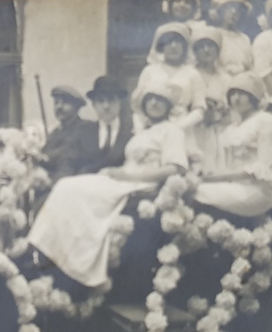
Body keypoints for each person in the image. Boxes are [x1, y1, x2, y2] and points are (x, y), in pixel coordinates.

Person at [27, 83, 188, 289]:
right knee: (66, 186)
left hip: (140, 183)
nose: (154, 104)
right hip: (123, 178)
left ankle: (76, 260)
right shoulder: (143, 131)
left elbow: (175, 168)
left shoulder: (172, 131)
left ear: (168, 106)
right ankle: (50, 249)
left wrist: (128, 176)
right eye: (150, 99)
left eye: (160, 100)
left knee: (74, 190)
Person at [193, 72, 272, 217]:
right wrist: (210, 174)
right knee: (191, 188)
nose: (236, 98)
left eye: (242, 93)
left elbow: (263, 167)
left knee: (196, 191)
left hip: (257, 189)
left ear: (254, 97)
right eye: (232, 94)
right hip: (234, 184)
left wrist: (216, 178)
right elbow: (226, 166)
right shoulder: (232, 129)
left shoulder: (265, 121)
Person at [133, 24, 206, 157]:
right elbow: (138, 107)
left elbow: (199, 110)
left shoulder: (192, 74)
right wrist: (141, 132)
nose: (173, 46)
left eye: (178, 42)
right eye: (168, 42)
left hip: (182, 129)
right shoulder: (149, 71)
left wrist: (176, 128)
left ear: (185, 46)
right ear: (161, 46)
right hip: (152, 129)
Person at [71, 75, 134, 174]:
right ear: (94, 105)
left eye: (111, 100)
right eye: (101, 101)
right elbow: (71, 163)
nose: (106, 106)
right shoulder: (83, 132)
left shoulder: (131, 132)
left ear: (119, 103)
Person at [191, 25, 231, 172]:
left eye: (210, 46)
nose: (206, 50)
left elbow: (231, 107)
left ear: (218, 50)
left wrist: (222, 109)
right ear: (195, 51)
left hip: (219, 131)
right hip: (194, 131)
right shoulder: (189, 75)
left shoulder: (225, 78)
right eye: (201, 46)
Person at [40, 85, 87, 183]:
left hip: (71, 182)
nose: (59, 107)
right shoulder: (55, 133)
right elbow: (43, 158)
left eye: (65, 103)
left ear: (77, 107)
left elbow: (68, 151)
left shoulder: (84, 128)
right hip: (50, 182)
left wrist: (46, 157)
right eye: (56, 103)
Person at [146, 0, 204, 65]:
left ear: (194, 8)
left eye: (187, 2)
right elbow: (154, 57)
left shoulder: (199, 29)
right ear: (170, 5)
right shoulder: (163, 29)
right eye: (177, 1)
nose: (182, 5)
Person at [208, 0, 254, 76]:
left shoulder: (244, 38)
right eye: (229, 8)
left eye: (238, 9)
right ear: (220, 11)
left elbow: (249, 67)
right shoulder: (213, 34)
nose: (234, 12)